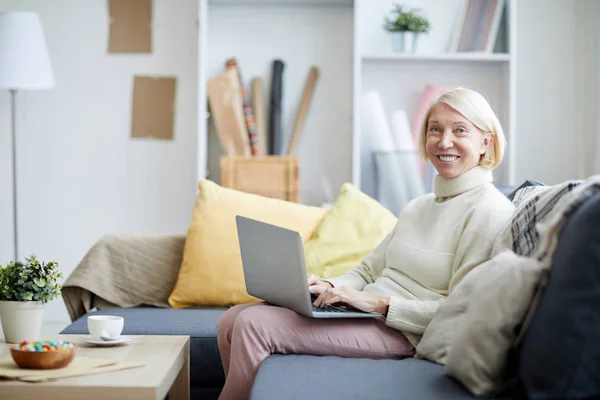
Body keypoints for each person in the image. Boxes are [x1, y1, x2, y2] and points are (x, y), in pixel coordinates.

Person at [216, 87, 516, 400]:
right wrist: (329, 286)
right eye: (435, 129)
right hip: (367, 314)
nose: (444, 142)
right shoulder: (420, 206)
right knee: (230, 320)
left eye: (460, 131)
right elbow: (368, 270)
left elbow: (461, 311)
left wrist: (380, 305)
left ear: (486, 142)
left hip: (405, 331)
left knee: (253, 324)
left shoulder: (489, 211)